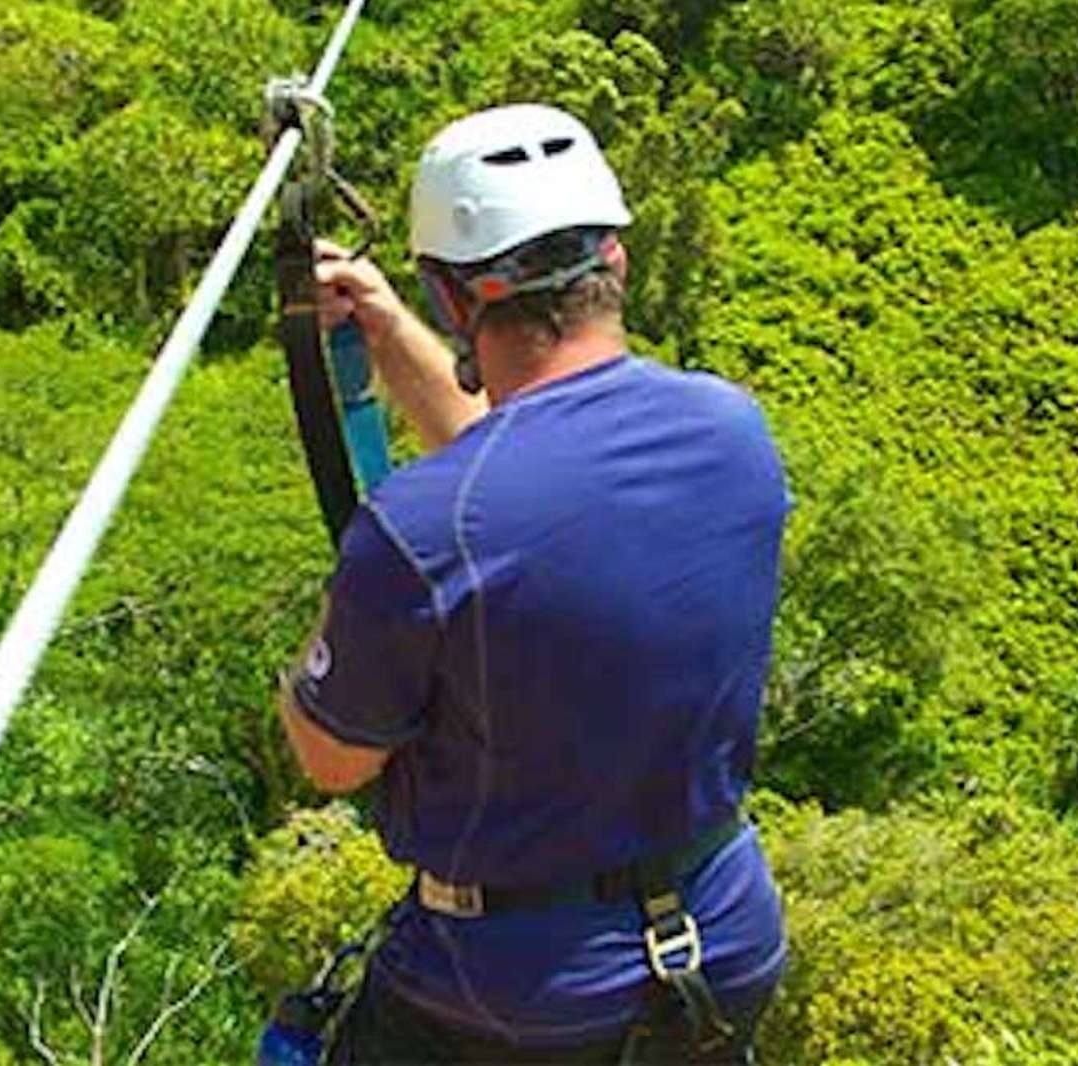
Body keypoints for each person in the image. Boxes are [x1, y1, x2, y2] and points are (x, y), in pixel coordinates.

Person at [276, 103, 790, 1064]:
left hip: (507, 996)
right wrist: (384, 332)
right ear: (617, 263)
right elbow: (520, 485)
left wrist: (334, 628)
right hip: (723, 942)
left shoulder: (420, 528)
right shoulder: (735, 431)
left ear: (454, 296)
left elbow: (333, 758)